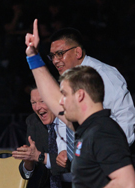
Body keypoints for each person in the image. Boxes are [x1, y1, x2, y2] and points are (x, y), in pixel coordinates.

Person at [24, 20, 135, 150]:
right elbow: (59, 110)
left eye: (60, 54)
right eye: (52, 56)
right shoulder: (69, 78)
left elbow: (126, 119)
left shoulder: (103, 75)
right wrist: (33, 56)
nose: (55, 61)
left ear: (77, 52)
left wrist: (109, 155)